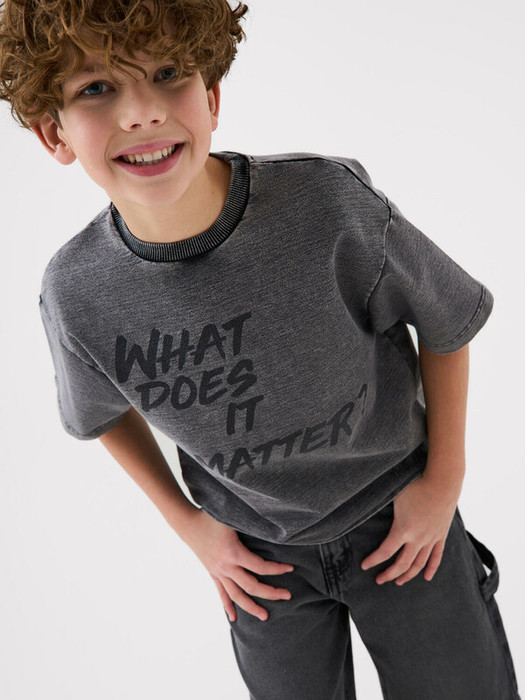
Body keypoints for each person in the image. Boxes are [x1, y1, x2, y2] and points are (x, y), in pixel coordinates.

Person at [0, 1, 520, 698]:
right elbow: (99, 415)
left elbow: (447, 318)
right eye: (96, 88)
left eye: (167, 73)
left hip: (402, 522)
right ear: (52, 132)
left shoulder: (326, 204)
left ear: (212, 95)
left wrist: (443, 481)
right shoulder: (77, 292)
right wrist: (193, 529)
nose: (141, 113)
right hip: (259, 562)